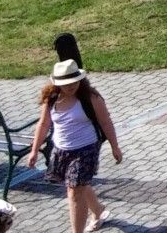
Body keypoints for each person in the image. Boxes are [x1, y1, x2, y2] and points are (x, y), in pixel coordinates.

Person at [27, 59, 122, 233]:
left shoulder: (91, 98)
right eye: (66, 83)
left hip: (86, 149)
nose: (71, 86)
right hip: (61, 149)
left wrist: (115, 147)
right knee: (78, 184)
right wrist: (34, 151)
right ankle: (98, 210)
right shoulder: (52, 99)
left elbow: (106, 122)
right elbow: (43, 124)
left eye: (74, 82)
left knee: (74, 191)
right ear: (57, 84)